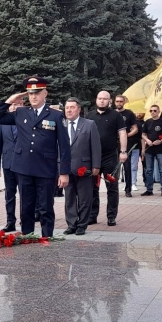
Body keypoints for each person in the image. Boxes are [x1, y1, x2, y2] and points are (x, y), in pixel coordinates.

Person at [0, 76, 71, 237]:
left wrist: (64, 172)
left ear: (45, 93)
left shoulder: (56, 115)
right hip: (23, 166)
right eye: (30, 93)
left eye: (37, 92)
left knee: (46, 206)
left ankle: (47, 236)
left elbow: (64, 145)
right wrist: (10, 100)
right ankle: (27, 236)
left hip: (45, 167)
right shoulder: (20, 112)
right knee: (26, 205)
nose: (33, 96)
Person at [85, 91, 127, 226]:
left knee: (112, 187)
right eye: (100, 98)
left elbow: (122, 133)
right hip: (93, 157)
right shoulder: (90, 115)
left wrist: (123, 151)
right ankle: (92, 215)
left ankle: (111, 216)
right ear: (96, 100)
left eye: (105, 99)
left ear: (110, 101)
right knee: (91, 188)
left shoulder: (116, 115)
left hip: (110, 156)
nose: (102, 101)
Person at [62, 97, 101, 236]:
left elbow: (96, 146)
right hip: (66, 169)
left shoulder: (89, 124)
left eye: (72, 107)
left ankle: (82, 225)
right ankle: (71, 224)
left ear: (78, 109)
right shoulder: (61, 125)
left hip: (84, 167)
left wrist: (96, 165)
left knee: (85, 198)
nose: (69, 110)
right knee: (69, 198)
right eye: (67, 108)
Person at [0, 99, 24, 232]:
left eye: (18, 104)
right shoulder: (3, 123)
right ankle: (10, 221)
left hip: (24, 164)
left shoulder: (26, 120)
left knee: (25, 195)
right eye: (13, 104)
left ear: (23, 105)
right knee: (9, 194)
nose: (15, 107)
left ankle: (25, 220)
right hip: (8, 163)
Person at [141, 105, 162, 197]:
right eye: (151, 111)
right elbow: (143, 134)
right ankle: (149, 189)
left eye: (154, 111)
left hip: (161, 149)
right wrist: (147, 140)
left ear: (159, 111)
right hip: (149, 149)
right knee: (149, 170)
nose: (152, 112)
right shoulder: (147, 122)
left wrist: (161, 141)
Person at [114, 95, 138, 197]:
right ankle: (113, 189)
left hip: (126, 144)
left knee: (127, 167)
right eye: (117, 101)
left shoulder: (129, 113)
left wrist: (126, 135)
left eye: (121, 101)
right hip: (113, 143)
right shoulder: (112, 113)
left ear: (124, 102)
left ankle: (128, 189)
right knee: (113, 167)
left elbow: (135, 128)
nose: (119, 103)